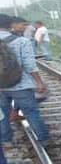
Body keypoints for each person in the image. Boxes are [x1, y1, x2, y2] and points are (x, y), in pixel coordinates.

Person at [0, 14, 50, 145]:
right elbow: (29, 65)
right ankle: (43, 139)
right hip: (21, 84)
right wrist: (39, 82)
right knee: (31, 112)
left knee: (2, 114)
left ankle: (6, 140)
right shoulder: (22, 41)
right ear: (10, 25)